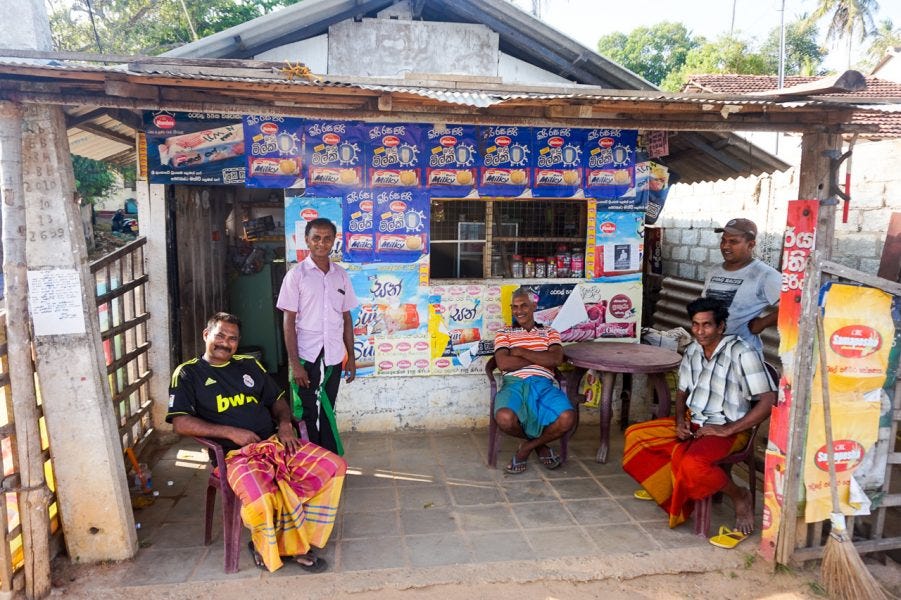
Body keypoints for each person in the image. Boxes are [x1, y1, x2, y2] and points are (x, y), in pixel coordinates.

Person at [166, 312, 345, 573]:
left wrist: (285, 424)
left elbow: (278, 401)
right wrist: (231, 433)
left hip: (275, 444)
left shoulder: (249, 366)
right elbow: (180, 423)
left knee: (333, 467)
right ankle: (269, 545)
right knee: (262, 498)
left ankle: (296, 540)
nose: (225, 343)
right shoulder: (188, 373)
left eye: (232, 338)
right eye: (220, 336)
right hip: (234, 456)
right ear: (207, 335)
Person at [622, 297, 776, 536]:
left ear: (721, 326)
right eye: (695, 325)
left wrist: (728, 429)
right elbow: (683, 391)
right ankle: (673, 484)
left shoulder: (742, 352)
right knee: (636, 435)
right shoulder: (693, 350)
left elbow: (768, 401)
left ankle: (740, 496)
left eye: (707, 325)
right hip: (694, 422)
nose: (700, 331)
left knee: (692, 465)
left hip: (728, 426)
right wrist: (680, 421)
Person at [277, 218, 358, 455]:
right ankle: (312, 460)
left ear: (334, 241)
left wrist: (350, 357)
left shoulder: (340, 275)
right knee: (307, 413)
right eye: (316, 238)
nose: (322, 243)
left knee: (327, 408)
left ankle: (325, 462)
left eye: (327, 238)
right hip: (306, 357)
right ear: (307, 241)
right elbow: (288, 322)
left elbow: (346, 318)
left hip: (333, 356)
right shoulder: (296, 276)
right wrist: (295, 365)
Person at [492, 287, 576, 474]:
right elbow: (504, 363)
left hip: (543, 384)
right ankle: (540, 445)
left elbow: (555, 360)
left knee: (567, 418)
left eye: (524, 306)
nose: (519, 311)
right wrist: (540, 356)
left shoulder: (550, 332)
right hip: (514, 384)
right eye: (514, 307)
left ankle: (526, 448)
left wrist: (521, 352)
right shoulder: (504, 333)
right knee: (504, 418)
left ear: (534, 306)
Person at [703, 218, 781, 354]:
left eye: (733, 242)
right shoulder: (713, 271)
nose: (725, 246)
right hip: (710, 351)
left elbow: (797, 306)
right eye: (723, 240)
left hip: (742, 355)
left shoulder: (764, 275)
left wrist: (762, 323)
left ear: (751, 245)